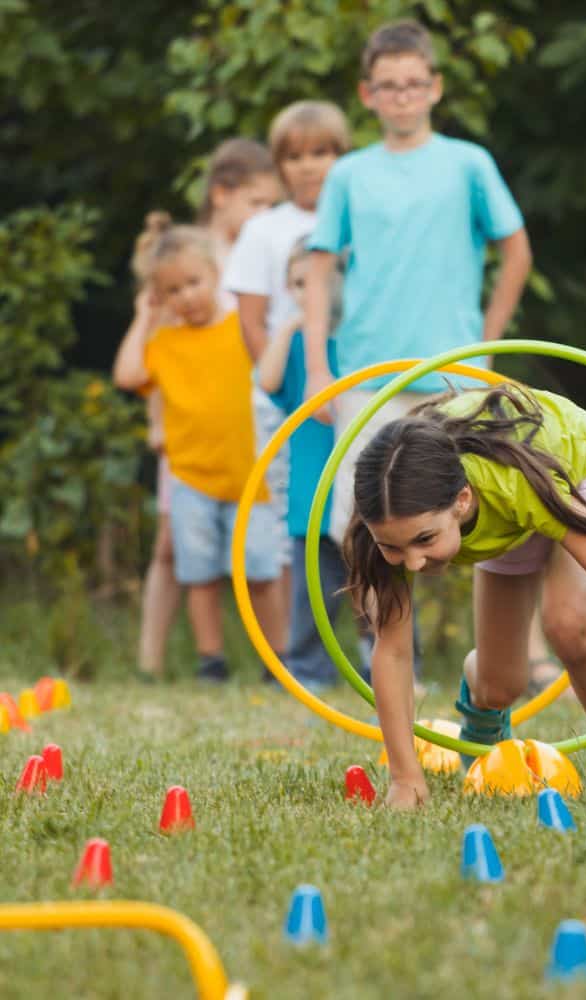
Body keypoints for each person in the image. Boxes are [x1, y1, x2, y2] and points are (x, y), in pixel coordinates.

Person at [343, 383, 586, 810]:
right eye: (394, 547)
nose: (413, 564)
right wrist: (405, 779)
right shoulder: (388, 518)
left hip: (582, 472)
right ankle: (481, 715)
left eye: (425, 539)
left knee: (567, 622)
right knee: (500, 685)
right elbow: (393, 652)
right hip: (507, 517)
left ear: (461, 502)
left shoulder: (513, 484)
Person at [303, 18, 532, 549]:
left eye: (413, 84)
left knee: (484, 514)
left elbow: (516, 249)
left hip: (457, 371)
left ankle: (504, 634)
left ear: (435, 86)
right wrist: (318, 369)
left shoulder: (468, 163)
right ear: (368, 95)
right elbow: (318, 271)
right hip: (367, 373)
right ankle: (383, 637)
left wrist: (489, 343)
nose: (402, 97)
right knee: (363, 523)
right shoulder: (349, 174)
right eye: (389, 86)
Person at [131, 140, 282, 679]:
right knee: (178, 551)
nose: (267, 216)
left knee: (263, 558)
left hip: (246, 445)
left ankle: (278, 658)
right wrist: (156, 423)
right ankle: (170, 662)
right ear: (223, 196)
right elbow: (150, 368)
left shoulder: (254, 259)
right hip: (189, 444)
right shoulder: (184, 263)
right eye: (258, 203)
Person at [224, 102, 352, 652]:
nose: (308, 167)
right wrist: (281, 386)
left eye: (321, 153)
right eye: (294, 157)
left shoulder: (355, 217)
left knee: (352, 514)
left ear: (341, 157)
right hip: (287, 391)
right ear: (278, 165)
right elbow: (252, 321)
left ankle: (369, 645)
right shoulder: (264, 229)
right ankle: (294, 650)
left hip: (351, 385)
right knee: (295, 523)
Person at [258, 238, 345, 689]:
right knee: (314, 593)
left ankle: (388, 665)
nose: (308, 292)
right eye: (298, 284)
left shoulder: (357, 341)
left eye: (319, 282)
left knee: (379, 586)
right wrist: (292, 326)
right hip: (312, 491)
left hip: (359, 490)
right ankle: (310, 669)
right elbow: (267, 380)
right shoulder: (295, 349)